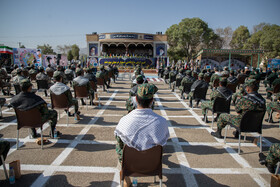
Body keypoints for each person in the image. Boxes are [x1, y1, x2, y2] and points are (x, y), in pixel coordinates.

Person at [115, 83, 169, 163]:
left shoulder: (124, 120)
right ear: (152, 101)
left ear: (136, 99)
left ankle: (125, 173)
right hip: (152, 163)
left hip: (130, 164)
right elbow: (163, 142)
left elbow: (120, 142)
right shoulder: (162, 121)